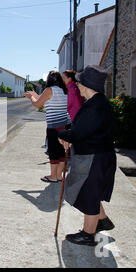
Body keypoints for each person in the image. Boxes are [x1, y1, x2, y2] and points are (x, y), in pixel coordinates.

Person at [58, 65, 116, 246]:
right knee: (93, 190)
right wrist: (71, 133)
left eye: (80, 83)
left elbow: (77, 134)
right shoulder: (98, 103)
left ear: (87, 85)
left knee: (88, 193)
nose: (78, 87)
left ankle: (88, 234)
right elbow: (84, 130)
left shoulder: (94, 106)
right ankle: (103, 220)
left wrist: (62, 134)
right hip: (99, 155)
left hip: (94, 158)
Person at [25, 71, 70, 183]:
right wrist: (35, 95)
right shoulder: (64, 91)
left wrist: (31, 97)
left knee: (53, 152)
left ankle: (53, 176)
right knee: (61, 152)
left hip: (54, 126)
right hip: (65, 124)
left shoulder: (49, 90)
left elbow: (37, 104)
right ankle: (59, 176)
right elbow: (45, 100)